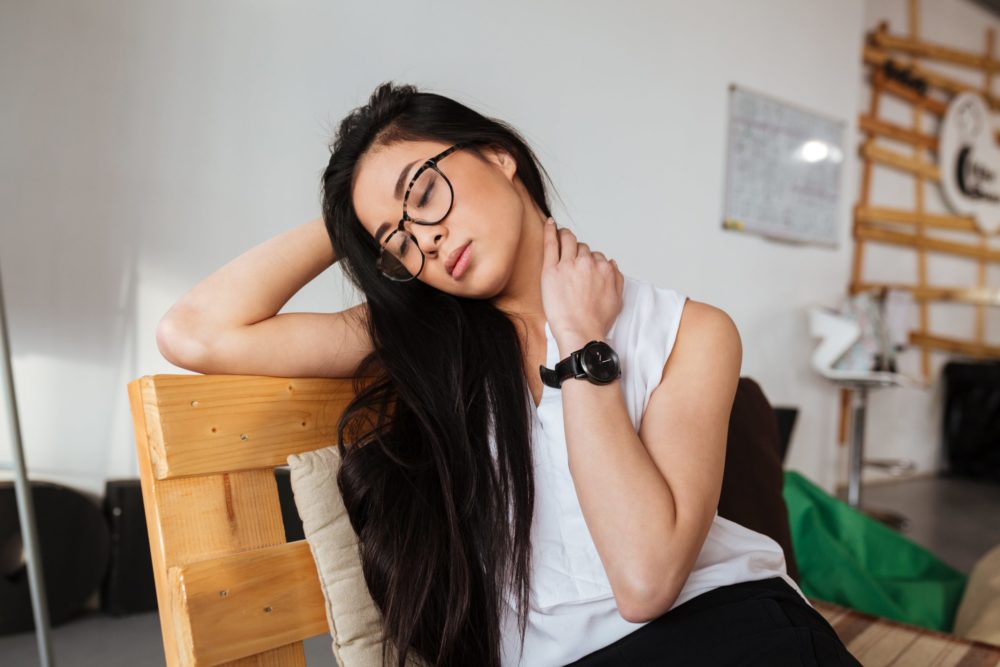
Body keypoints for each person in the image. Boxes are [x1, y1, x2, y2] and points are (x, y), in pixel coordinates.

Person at [157, 81, 862, 667]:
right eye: (397, 242)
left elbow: (647, 581)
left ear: (497, 156)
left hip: (728, 629)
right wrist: (354, 211)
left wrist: (584, 342)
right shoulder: (427, 344)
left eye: (425, 192)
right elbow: (194, 332)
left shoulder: (693, 332)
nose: (425, 238)